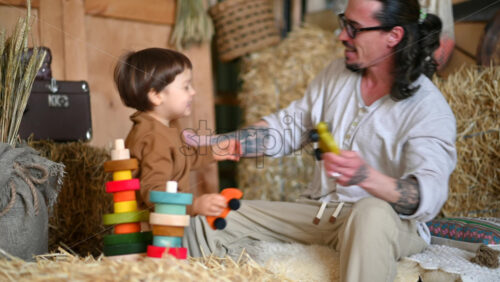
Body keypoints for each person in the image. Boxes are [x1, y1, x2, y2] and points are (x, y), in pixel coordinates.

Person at [183, 0, 457, 281]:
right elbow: (287, 128)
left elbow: (427, 196)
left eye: (354, 28)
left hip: (389, 223)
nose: (341, 36)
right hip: (321, 212)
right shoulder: (336, 74)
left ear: (393, 36)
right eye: (344, 23)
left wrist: (367, 177)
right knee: (210, 222)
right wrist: (225, 143)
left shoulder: (428, 108)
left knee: (370, 212)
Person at [113, 48, 240, 217]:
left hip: (167, 222)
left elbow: (181, 159)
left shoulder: (165, 128)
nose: (193, 92)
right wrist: (193, 206)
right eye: (186, 86)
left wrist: (213, 152)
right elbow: (154, 192)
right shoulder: (154, 137)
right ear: (156, 95)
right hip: (152, 231)